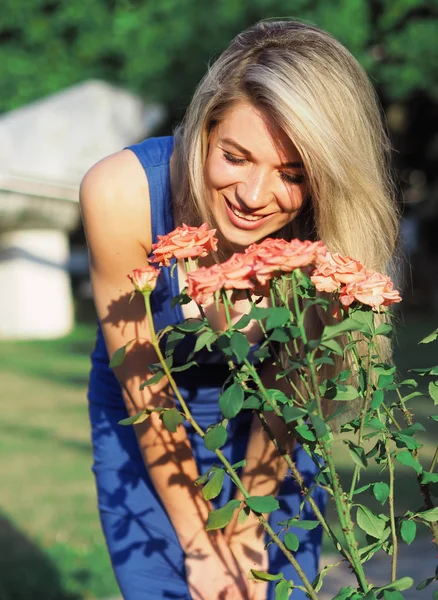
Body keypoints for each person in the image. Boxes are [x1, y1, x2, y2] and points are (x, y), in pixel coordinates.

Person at [80, 19, 398, 600]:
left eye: (292, 174)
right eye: (235, 156)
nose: (254, 197)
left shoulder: (330, 226)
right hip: (146, 417)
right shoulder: (120, 193)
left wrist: (248, 527)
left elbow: (296, 381)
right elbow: (144, 383)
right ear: (206, 127)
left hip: (274, 425)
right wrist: (202, 546)